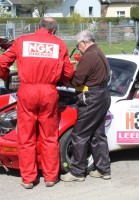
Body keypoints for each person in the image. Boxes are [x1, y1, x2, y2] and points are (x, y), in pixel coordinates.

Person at [0, 18, 74, 189]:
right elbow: (69, 72)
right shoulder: (59, 44)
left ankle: (28, 179)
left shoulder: (22, 41)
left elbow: (2, 62)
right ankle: (50, 177)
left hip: (27, 91)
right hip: (49, 92)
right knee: (49, 137)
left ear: (38, 27)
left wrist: (5, 77)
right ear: (53, 31)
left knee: (26, 137)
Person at [60, 30, 111, 182]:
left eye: (77, 45)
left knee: (80, 134)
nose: (78, 48)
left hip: (92, 98)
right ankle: (104, 169)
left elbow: (77, 81)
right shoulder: (99, 51)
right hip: (102, 95)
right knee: (97, 134)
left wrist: (65, 80)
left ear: (83, 42)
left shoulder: (88, 56)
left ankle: (77, 171)